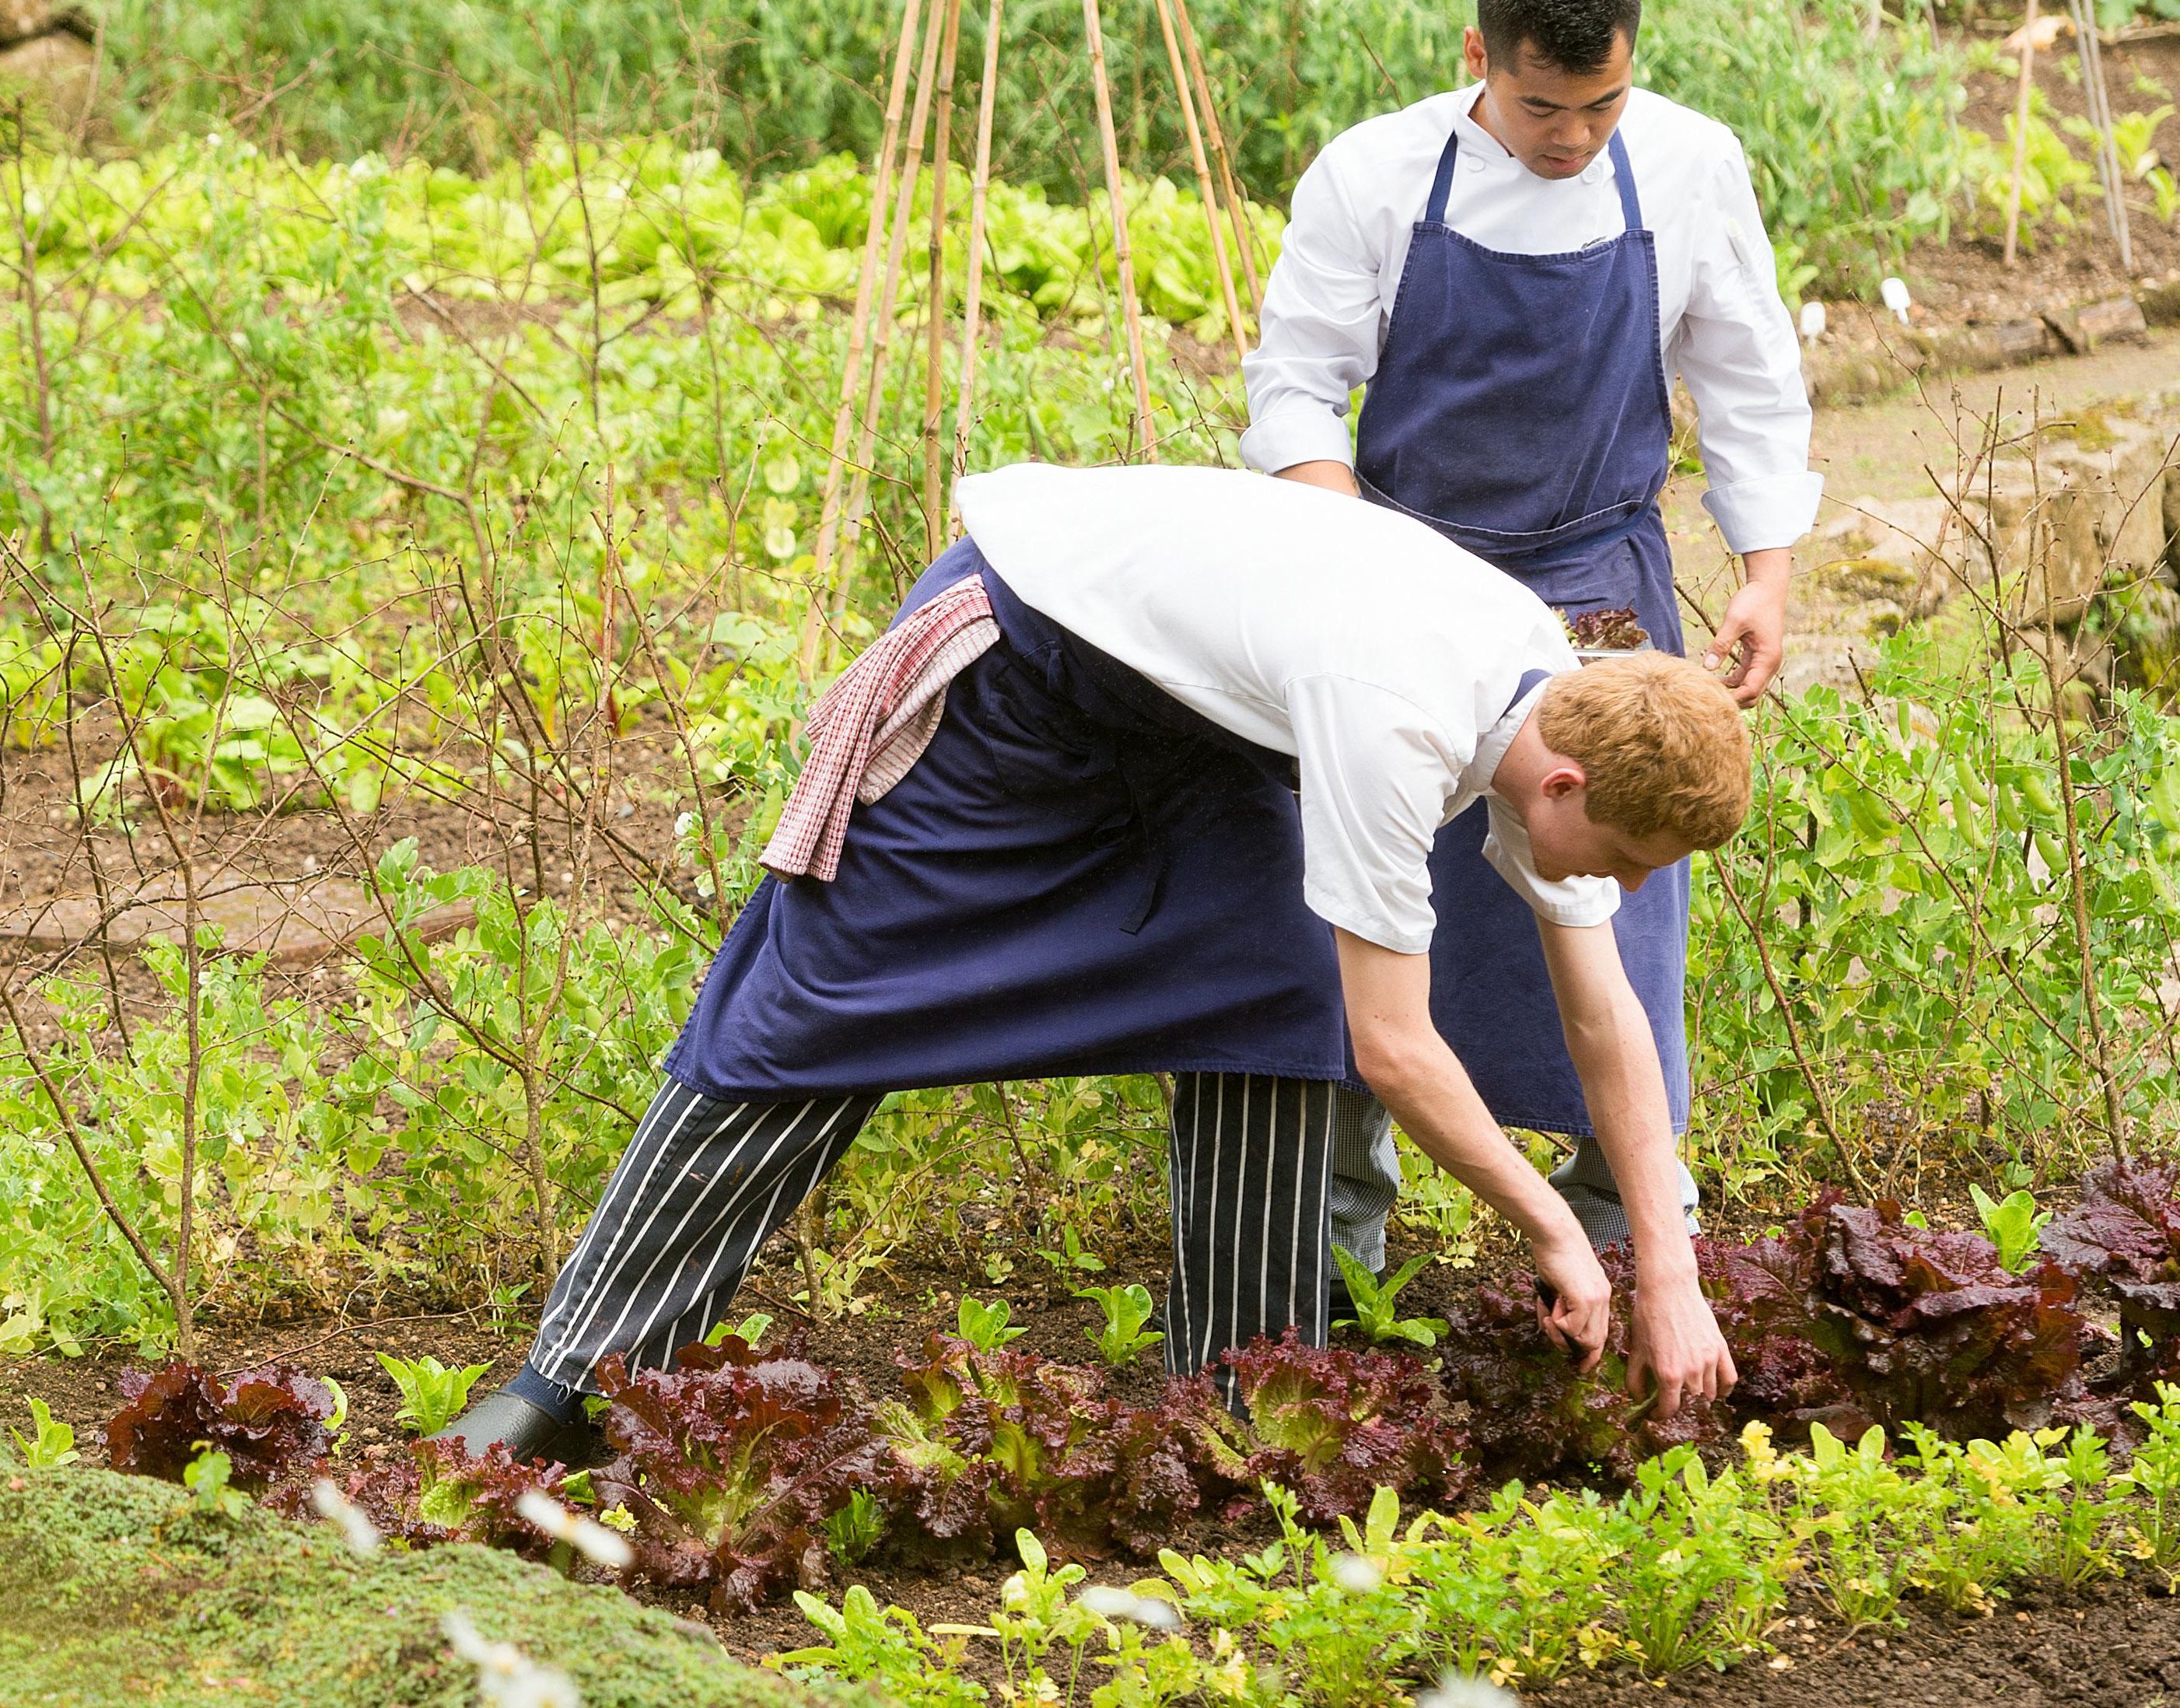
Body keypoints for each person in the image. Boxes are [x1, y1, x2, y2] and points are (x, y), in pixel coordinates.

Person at [436, 461, 1746, 1465]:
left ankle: (1237, 1396)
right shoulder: (1400, 715)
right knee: (813, 1007)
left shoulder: (1550, 704)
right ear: (1564, 783)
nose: (1621, 890)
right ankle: (568, 1377)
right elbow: (1394, 1047)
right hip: (1022, 673)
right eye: (1624, 858)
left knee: (1277, 1006)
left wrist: (1663, 1271)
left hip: (1198, 735)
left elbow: (1604, 1024)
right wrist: (1548, 1235)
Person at [1238, 0, 1821, 1262]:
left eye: (1601, 104)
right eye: (1542, 107)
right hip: (1400, 578)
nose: (1572, 138)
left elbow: (1744, 370)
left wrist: (1768, 567)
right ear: (1475, 62)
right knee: (1354, 899)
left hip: (1594, 590)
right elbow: (1295, 383)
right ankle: (1332, 1259)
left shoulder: (1686, 165)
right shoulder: (1376, 175)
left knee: (1614, 885)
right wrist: (1349, 555)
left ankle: (1630, 1235)